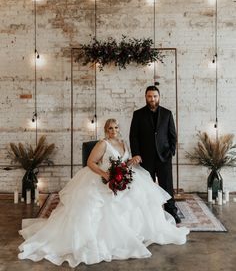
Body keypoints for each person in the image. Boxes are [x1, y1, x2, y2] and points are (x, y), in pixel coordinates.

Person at [18, 118, 189, 268]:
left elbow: (124, 164)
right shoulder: (103, 144)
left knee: (142, 198)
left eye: (115, 128)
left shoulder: (123, 143)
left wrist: (132, 161)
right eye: (110, 128)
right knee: (94, 206)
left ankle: (138, 232)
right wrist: (105, 174)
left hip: (122, 178)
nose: (113, 131)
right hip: (103, 178)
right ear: (105, 130)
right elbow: (90, 162)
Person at [129, 86, 181, 224]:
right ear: (146, 97)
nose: (152, 99)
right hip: (145, 158)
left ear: (159, 97)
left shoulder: (167, 114)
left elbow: (173, 136)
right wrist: (136, 154)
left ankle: (171, 211)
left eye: (155, 96)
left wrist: (171, 152)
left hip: (164, 157)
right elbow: (133, 136)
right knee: (147, 188)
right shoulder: (138, 114)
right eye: (150, 96)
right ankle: (148, 214)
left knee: (167, 185)